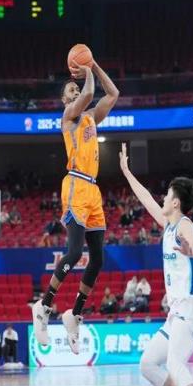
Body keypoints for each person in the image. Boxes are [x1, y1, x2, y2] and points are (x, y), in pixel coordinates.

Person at [32, 58, 119, 355]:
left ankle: (74, 314)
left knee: (98, 259)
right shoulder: (68, 116)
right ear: (64, 99)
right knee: (73, 252)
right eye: (71, 89)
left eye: (76, 88)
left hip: (93, 190)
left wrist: (95, 66)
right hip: (75, 185)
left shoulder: (91, 117)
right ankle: (44, 306)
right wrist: (87, 70)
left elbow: (113, 94)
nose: (76, 91)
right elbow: (88, 94)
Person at [120, 143, 193, 386]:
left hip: (190, 308)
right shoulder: (169, 225)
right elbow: (145, 198)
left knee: (174, 363)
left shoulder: (184, 226)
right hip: (177, 313)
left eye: (167, 195)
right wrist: (127, 172)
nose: (163, 198)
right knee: (147, 364)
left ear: (176, 203)